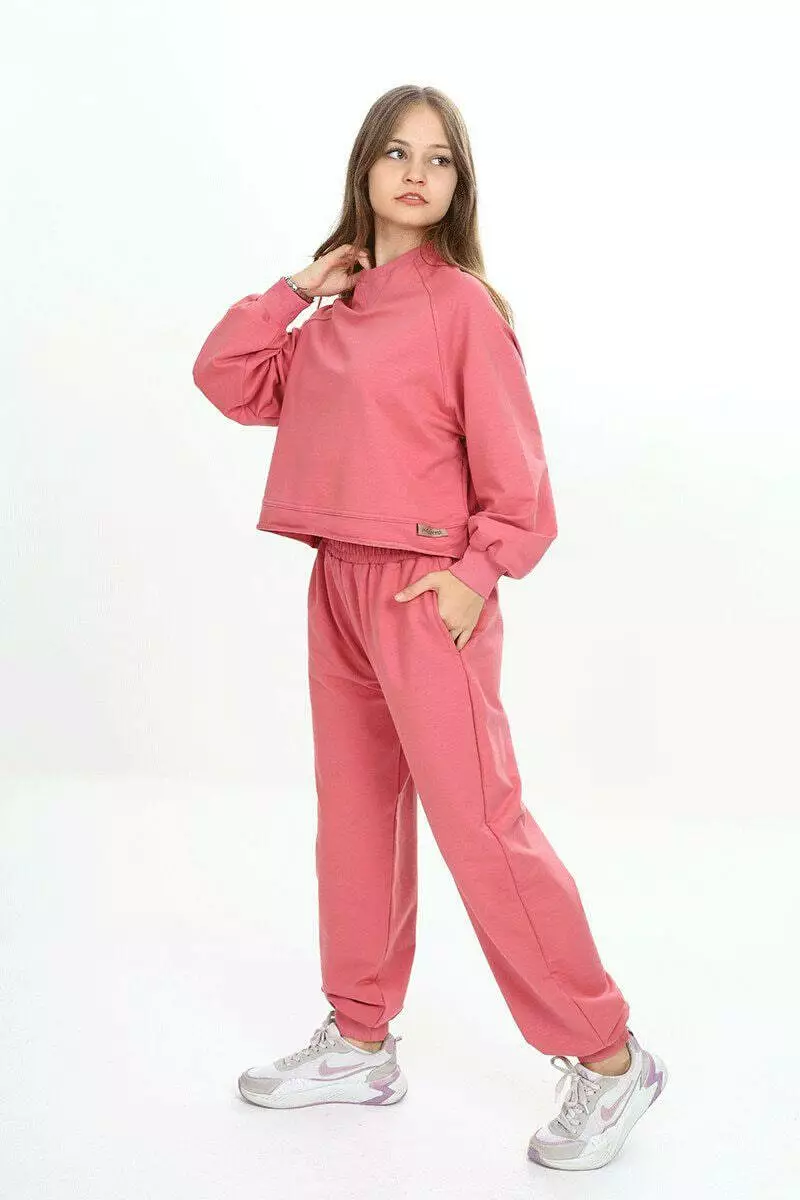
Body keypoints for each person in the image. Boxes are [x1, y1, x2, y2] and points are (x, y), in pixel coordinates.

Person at [191, 84, 668, 1170]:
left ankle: (607, 1056)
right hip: (338, 585)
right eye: (397, 153)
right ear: (364, 168)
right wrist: (296, 287)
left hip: (427, 593)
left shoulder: (461, 308)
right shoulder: (329, 317)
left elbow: (519, 480)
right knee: (354, 819)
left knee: (480, 828)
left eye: (439, 158)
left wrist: (473, 576)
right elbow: (225, 377)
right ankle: (360, 1041)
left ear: (459, 184)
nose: (416, 172)